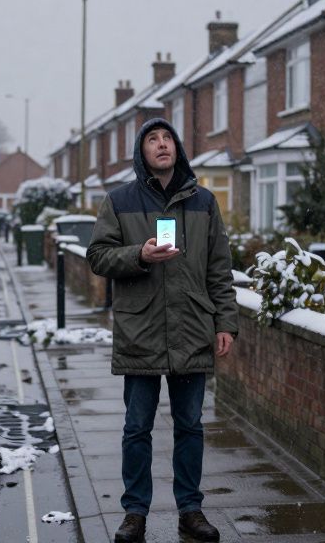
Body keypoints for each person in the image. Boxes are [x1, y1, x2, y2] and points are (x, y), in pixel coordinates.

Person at [86, 118, 237, 543]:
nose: (161, 144)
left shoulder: (204, 202)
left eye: (167, 137)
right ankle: (135, 513)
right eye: (152, 139)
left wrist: (226, 322)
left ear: (178, 148)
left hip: (191, 329)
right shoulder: (118, 201)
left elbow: (219, 269)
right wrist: (140, 254)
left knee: (190, 426)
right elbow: (97, 256)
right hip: (142, 333)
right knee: (137, 428)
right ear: (142, 152)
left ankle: (191, 510)